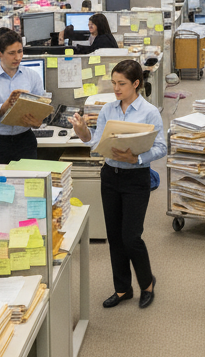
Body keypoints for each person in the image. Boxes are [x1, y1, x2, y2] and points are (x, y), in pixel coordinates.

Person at [70, 59, 166, 309]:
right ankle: (123, 288)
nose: (116, 88)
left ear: (136, 84)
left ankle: (147, 283)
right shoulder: (107, 110)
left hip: (136, 178)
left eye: (121, 84)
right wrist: (83, 132)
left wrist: (138, 158)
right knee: (114, 237)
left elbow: (161, 147)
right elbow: (95, 143)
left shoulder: (149, 112)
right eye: (113, 83)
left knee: (131, 237)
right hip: (110, 176)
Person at [0, 30, 48, 164]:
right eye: (11, 53)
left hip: (24, 140)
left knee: (27, 177)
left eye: (20, 51)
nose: (17, 57)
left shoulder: (32, 76)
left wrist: (38, 121)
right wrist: (8, 104)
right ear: (0, 53)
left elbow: (41, 105)